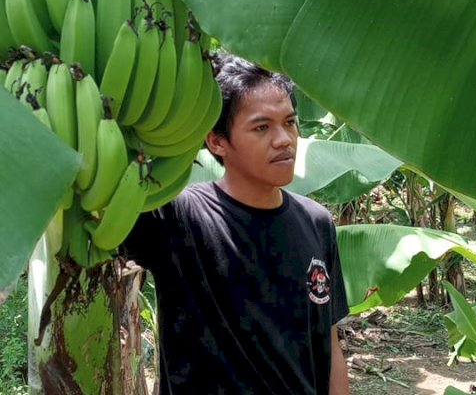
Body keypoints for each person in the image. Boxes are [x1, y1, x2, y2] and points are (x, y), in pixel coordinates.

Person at [123, 54, 351, 395]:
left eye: (289, 122)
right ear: (217, 141)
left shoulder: (316, 222)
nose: (284, 140)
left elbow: (329, 347)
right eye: (262, 127)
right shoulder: (179, 216)